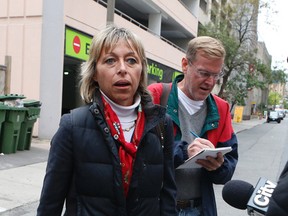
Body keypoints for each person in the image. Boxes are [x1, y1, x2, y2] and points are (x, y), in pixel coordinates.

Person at [37, 25, 177, 216]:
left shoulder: (162, 125)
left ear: (142, 69)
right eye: (110, 60)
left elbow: (168, 198)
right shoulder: (72, 126)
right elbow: (49, 205)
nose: (122, 69)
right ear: (94, 72)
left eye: (131, 60)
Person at [148, 36, 238, 216]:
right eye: (204, 73)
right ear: (185, 65)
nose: (210, 82)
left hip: (200, 209)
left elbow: (228, 169)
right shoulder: (156, 96)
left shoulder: (221, 108)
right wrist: (184, 153)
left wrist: (218, 166)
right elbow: (143, 155)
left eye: (216, 75)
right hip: (158, 208)